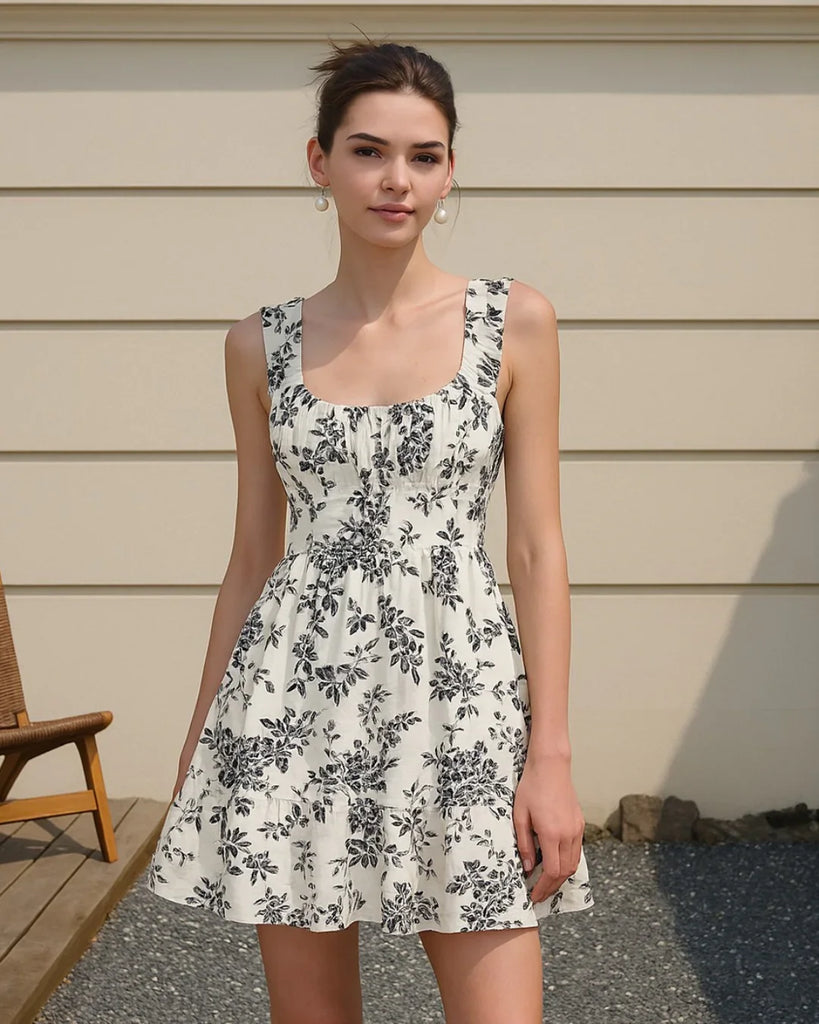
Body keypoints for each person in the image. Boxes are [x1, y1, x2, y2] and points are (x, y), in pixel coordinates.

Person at [147, 37, 594, 1024]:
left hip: (460, 696)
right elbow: (253, 557)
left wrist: (550, 755)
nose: (397, 180)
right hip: (292, 701)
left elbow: (535, 550)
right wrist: (203, 736)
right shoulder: (257, 345)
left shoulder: (513, 322)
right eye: (368, 151)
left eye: (423, 156)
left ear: (449, 171)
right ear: (319, 163)